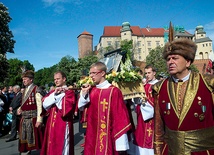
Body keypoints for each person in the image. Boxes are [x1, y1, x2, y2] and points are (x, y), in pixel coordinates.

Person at [153, 38, 214, 155]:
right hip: (171, 151)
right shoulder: (160, 88)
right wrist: (158, 151)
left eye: (175, 58)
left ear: (188, 62)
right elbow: (158, 128)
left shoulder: (208, 83)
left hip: (203, 151)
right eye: (168, 59)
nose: (170, 62)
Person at [78, 62, 131, 155]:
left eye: (93, 73)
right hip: (92, 134)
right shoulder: (91, 90)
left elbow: (120, 116)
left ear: (102, 73)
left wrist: (121, 143)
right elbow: (81, 108)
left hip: (108, 134)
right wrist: (84, 93)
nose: (90, 76)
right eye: (90, 73)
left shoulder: (114, 91)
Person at [40, 71, 76, 155]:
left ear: (64, 79)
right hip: (51, 123)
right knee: (51, 145)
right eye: (55, 79)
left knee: (63, 147)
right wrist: (55, 95)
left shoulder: (69, 92)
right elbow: (45, 104)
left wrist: (58, 96)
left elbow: (65, 109)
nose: (56, 81)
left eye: (58, 79)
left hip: (63, 123)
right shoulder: (52, 92)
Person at [17, 70, 43, 154]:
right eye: (23, 79)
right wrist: (20, 108)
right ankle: (26, 151)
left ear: (31, 79)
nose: (23, 81)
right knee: (24, 137)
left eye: (25, 79)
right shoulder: (24, 90)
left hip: (33, 118)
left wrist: (39, 119)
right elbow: (23, 102)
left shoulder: (36, 89)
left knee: (36, 139)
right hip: (24, 118)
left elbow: (40, 105)